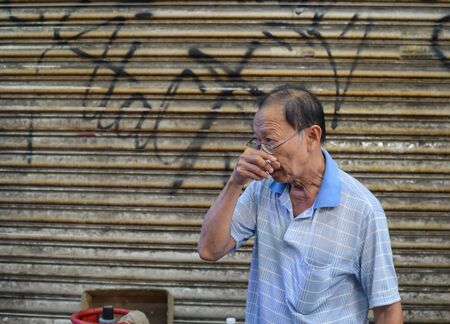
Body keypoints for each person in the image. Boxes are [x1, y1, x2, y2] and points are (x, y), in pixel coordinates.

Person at [197, 85, 403, 323]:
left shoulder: (362, 209)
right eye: (258, 141)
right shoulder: (261, 189)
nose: (264, 154)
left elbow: (387, 309)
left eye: (271, 141)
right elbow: (209, 250)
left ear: (312, 137)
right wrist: (235, 184)